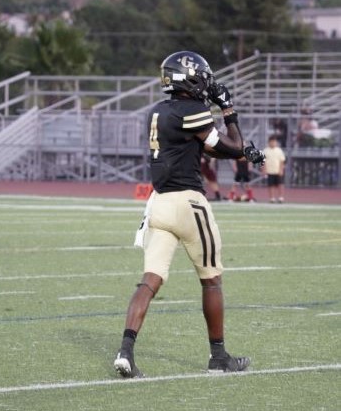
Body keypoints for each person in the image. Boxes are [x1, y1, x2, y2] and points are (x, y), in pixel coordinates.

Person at [114, 50, 265, 378]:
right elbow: (230, 144)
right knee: (211, 281)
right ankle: (219, 357)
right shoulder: (194, 109)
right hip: (189, 204)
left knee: (150, 280)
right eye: (202, 76)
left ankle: (125, 351)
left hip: (159, 204)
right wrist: (228, 109)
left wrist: (242, 151)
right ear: (189, 78)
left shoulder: (158, 111)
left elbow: (205, 145)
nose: (206, 82)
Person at [263, 135, 286, 203]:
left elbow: (282, 161)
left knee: (280, 184)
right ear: (269, 142)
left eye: (274, 142)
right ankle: (272, 198)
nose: (273, 143)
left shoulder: (279, 150)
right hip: (269, 171)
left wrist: (281, 170)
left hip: (277, 171)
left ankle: (281, 197)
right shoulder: (265, 150)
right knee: (271, 185)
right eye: (272, 142)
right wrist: (264, 170)